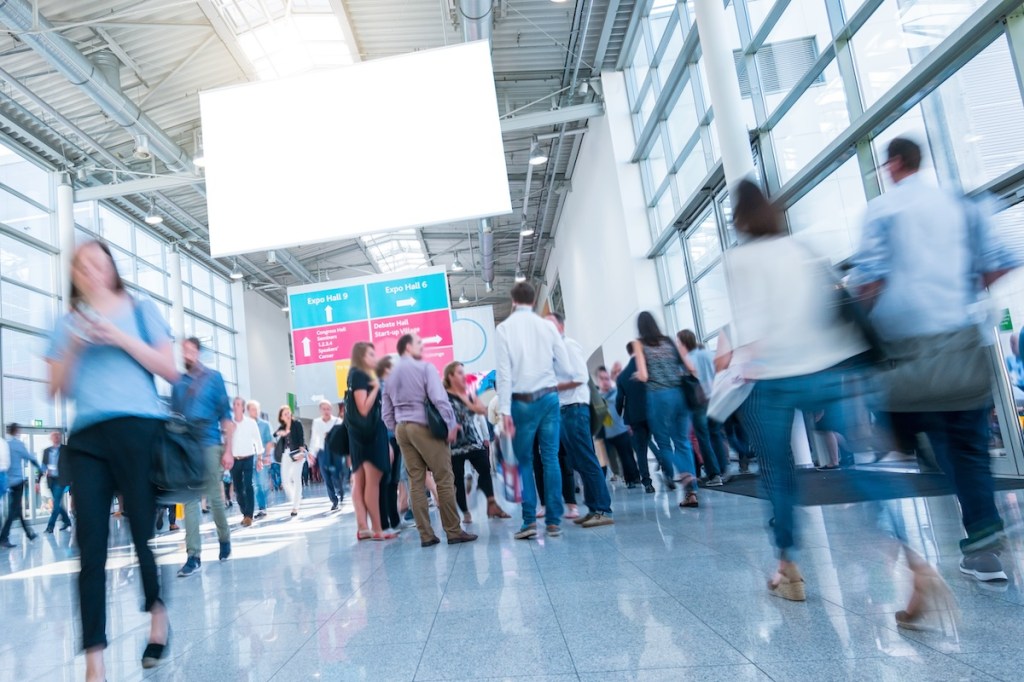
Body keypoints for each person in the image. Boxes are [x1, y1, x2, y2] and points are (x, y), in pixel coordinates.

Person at [850, 137, 1020, 594]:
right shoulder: (964, 206)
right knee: (968, 449)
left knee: (893, 440)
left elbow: (870, 282)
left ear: (896, 163)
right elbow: (1002, 263)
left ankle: (902, 553)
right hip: (962, 344)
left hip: (906, 353)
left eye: (886, 163)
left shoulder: (882, 213)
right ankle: (984, 548)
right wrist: (959, 291)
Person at [724, 179, 873, 604]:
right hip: (820, 369)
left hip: (771, 378)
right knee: (857, 456)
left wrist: (740, 370)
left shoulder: (740, 260)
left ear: (738, 218)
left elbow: (749, 327)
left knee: (777, 472)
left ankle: (788, 566)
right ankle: (912, 559)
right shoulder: (801, 250)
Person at [45, 239, 175, 679]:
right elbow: (54, 388)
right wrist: (78, 343)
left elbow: (170, 369)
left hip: (138, 430)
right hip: (87, 439)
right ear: (75, 275)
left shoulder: (141, 310)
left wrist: (117, 336)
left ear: (112, 268)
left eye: (99, 263)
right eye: (82, 267)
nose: (92, 271)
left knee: (142, 531)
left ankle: (157, 614)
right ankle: (94, 662)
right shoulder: (65, 323)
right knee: (91, 548)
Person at [495, 281, 576, 539]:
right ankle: (554, 522)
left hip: (520, 402)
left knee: (525, 463)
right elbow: (567, 369)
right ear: (532, 300)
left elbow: (504, 374)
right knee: (551, 458)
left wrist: (505, 412)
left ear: (513, 301)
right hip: (549, 399)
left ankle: (529, 521)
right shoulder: (547, 326)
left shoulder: (504, 328)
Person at [382, 334, 477, 546]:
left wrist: (397, 428)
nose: (421, 346)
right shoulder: (424, 368)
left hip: (402, 429)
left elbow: (385, 412)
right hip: (424, 427)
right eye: (418, 343)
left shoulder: (390, 376)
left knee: (415, 481)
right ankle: (453, 531)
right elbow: (439, 399)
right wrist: (451, 425)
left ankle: (426, 535)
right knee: (444, 477)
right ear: (407, 347)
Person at [545, 313, 614, 528]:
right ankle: (593, 508)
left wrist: (552, 386)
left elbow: (580, 379)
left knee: (587, 459)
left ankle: (603, 508)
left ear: (561, 326)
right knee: (578, 463)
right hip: (565, 410)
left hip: (576, 408)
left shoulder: (569, 346)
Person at [177, 337, 235, 578]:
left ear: (198, 352)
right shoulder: (178, 383)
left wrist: (228, 449)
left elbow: (226, 416)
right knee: (189, 499)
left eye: (190, 350)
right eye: (183, 351)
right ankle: (193, 556)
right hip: (188, 446)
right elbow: (175, 418)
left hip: (211, 442)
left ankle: (224, 538)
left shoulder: (214, 378)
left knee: (214, 497)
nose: (186, 355)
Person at [632, 311, 700, 507]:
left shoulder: (639, 344)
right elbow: (690, 367)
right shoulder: (669, 341)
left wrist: (638, 374)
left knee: (663, 444)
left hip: (658, 396)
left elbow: (644, 376)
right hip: (679, 394)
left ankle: (685, 475)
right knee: (683, 442)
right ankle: (691, 492)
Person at [443, 361, 510, 523]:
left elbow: (482, 410)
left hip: (473, 440)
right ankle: (465, 513)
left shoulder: (469, 393)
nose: (463, 375)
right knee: (457, 479)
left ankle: (492, 505)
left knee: (485, 470)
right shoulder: (443, 396)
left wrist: (465, 398)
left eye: (462, 372)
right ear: (450, 376)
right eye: (459, 372)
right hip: (454, 445)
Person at [344, 343, 394, 541]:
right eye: (371, 354)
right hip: (369, 434)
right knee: (370, 483)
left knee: (362, 482)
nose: (375, 357)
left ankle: (365, 527)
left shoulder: (355, 374)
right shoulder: (360, 375)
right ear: (362, 356)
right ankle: (377, 529)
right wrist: (375, 388)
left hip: (360, 434)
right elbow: (364, 408)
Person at [678, 330, 731, 485]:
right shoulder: (707, 354)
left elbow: (691, 373)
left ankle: (714, 475)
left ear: (683, 343)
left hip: (699, 403)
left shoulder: (689, 359)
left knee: (703, 439)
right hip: (714, 398)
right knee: (716, 435)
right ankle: (723, 470)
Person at [615, 343, 657, 493]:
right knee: (661, 444)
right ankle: (669, 474)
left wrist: (617, 418)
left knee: (641, 450)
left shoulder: (622, 376)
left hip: (634, 417)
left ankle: (647, 483)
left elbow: (620, 400)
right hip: (653, 412)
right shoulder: (648, 367)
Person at [596, 366, 642, 488]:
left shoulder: (616, 392)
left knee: (627, 457)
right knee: (608, 460)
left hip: (621, 430)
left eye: (606, 378)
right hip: (607, 433)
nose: (605, 381)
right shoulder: (598, 398)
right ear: (598, 380)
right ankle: (608, 481)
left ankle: (632, 479)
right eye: (602, 379)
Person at [1, 424, 44, 546]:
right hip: (17, 483)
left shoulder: (4, 444)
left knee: (17, 509)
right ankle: (3, 537)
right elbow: (30, 457)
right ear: (17, 431)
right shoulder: (17, 444)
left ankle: (29, 534)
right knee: (13, 510)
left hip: (6, 482)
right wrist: (40, 469)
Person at [376, 356, 403, 532]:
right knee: (386, 481)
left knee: (393, 480)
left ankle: (394, 521)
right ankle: (385, 522)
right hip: (386, 437)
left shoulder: (390, 385)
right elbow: (381, 416)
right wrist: (386, 442)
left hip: (395, 435)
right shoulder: (379, 386)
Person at [230, 396, 263, 526]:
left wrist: (260, 458)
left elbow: (257, 440)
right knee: (238, 489)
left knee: (248, 485)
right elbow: (225, 442)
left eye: (239, 404)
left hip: (248, 458)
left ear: (243, 407)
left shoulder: (251, 423)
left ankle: (249, 515)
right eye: (234, 404)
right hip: (234, 460)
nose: (236, 406)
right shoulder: (229, 423)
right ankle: (245, 513)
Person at [309, 400, 343, 511]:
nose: (326, 411)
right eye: (324, 409)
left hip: (335, 451)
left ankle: (340, 490)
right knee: (326, 476)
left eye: (328, 408)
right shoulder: (317, 422)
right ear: (320, 410)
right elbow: (314, 439)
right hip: (322, 451)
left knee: (335, 475)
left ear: (331, 410)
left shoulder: (338, 421)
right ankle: (334, 500)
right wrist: (312, 454)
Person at [275, 405, 306, 517]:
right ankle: (296, 498)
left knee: (297, 479)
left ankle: (295, 507)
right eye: (285, 414)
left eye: (289, 413)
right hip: (286, 454)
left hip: (297, 452)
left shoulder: (297, 424)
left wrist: (302, 451)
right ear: (281, 417)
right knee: (285, 481)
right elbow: (275, 435)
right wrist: (280, 433)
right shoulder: (282, 427)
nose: (288, 415)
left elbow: (301, 437)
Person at [248, 400, 274, 519]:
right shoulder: (246, 425)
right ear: (248, 411)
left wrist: (267, 455)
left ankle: (263, 505)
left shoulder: (265, 425)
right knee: (256, 484)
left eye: (257, 409)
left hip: (262, 459)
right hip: (249, 459)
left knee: (261, 484)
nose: (256, 411)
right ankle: (262, 507)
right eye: (253, 409)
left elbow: (269, 441)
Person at [43, 431, 72, 534]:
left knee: (56, 504)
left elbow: (71, 464)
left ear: (60, 438)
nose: (56, 437)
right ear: (51, 438)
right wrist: (38, 480)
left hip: (61, 480)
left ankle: (50, 527)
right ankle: (67, 521)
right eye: (54, 436)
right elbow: (43, 465)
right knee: (57, 504)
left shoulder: (66, 449)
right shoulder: (47, 451)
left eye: (58, 436)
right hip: (51, 480)